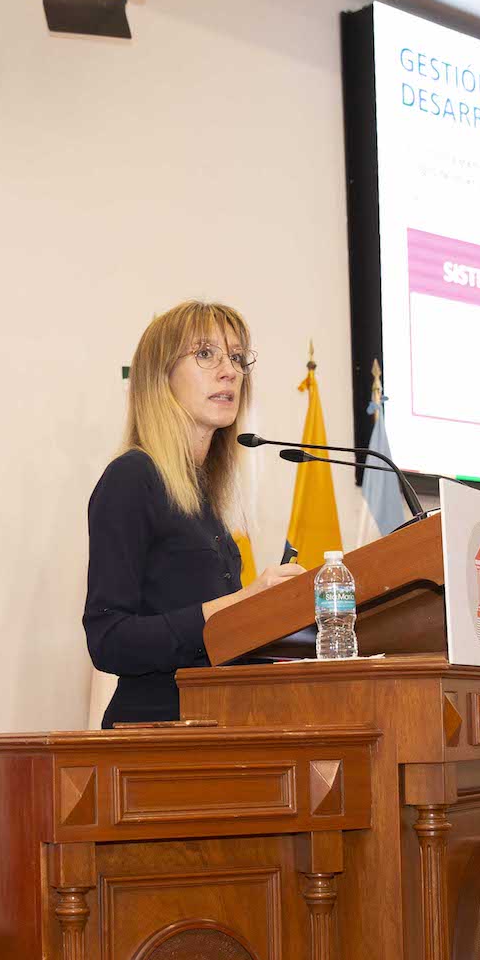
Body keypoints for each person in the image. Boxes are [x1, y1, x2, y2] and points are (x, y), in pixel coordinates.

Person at [83, 301, 300, 727]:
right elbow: (108, 640)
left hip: (216, 726)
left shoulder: (206, 498)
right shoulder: (132, 478)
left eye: (237, 357)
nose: (229, 371)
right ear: (160, 376)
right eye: (206, 354)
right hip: (154, 741)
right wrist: (237, 605)